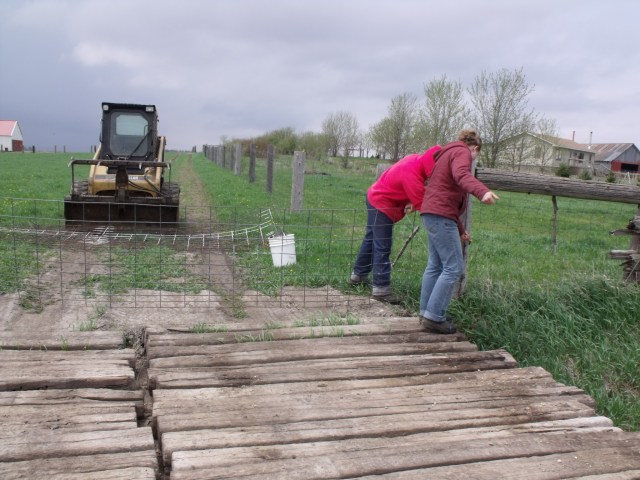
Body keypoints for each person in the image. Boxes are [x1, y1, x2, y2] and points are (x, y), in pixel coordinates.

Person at [419, 129, 499, 333]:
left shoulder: (447, 153)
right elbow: (462, 175)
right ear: (476, 149)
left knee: (435, 265)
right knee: (453, 267)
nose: (473, 159)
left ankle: (427, 311)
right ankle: (434, 317)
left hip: (431, 213)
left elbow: (447, 200)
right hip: (440, 215)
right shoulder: (463, 152)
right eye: (477, 156)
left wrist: (461, 230)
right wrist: (483, 192)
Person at [350, 145, 442, 304]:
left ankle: (358, 276)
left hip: (375, 196)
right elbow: (424, 206)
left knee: (371, 239)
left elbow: (409, 189)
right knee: (382, 245)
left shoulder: (415, 159)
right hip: (381, 203)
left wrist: (410, 201)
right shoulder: (412, 175)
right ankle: (380, 289)